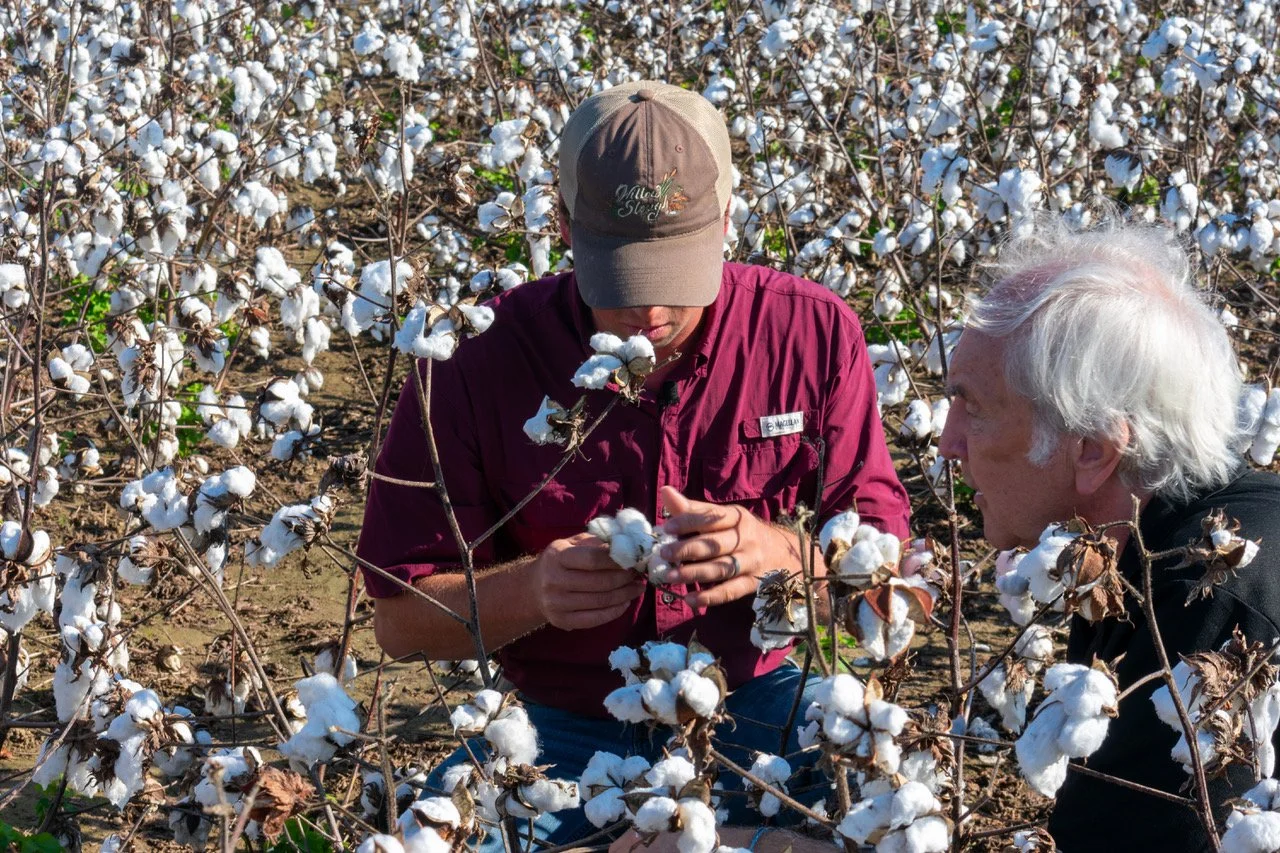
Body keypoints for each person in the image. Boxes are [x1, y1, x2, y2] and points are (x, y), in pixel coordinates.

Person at [356, 81, 910, 845]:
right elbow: (399, 621)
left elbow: (889, 581)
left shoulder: (809, 334)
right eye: (621, 276)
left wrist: (784, 556)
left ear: (723, 224)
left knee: (890, 817)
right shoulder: (476, 361)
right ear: (562, 226)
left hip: (760, 703)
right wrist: (533, 589)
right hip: (560, 726)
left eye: (673, 274)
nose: (647, 312)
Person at [937, 215, 1280, 852]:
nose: (946, 443)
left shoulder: (1206, 598)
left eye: (972, 407)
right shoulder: (1138, 551)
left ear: (1092, 450)